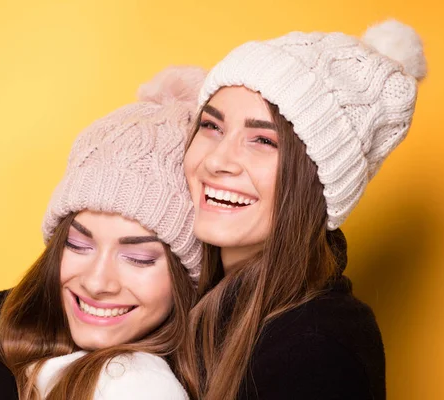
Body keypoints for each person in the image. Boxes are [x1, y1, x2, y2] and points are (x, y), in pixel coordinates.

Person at [0, 66, 206, 400]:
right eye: (78, 244)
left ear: (188, 275)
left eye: (138, 258)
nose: (97, 283)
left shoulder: (183, 377)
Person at [176, 20, 426, 399]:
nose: (218, 160)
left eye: (263, 140)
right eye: (212, 126)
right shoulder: (197, 308)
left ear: (317, 181)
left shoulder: (315, 349)